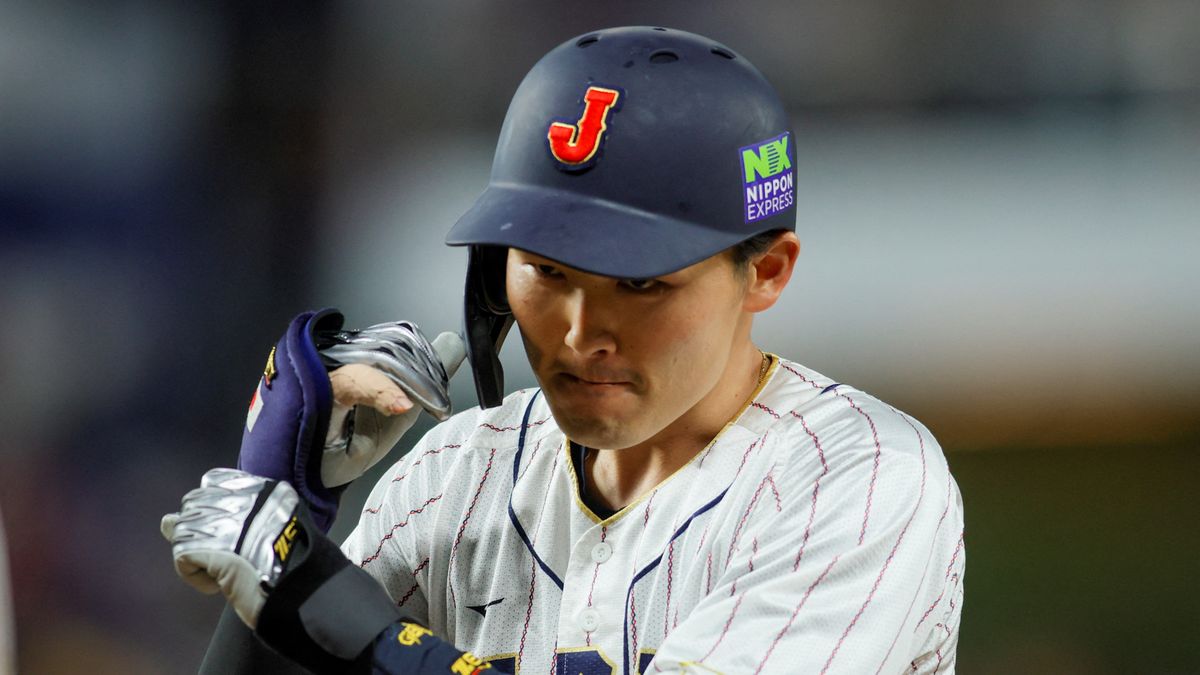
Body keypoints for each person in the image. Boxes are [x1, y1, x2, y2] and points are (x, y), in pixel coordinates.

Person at [162, 26, 965, 674]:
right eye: (547, 270)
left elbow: (344, 631)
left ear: (766, 271)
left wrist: (354, 627)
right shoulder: (450, 481)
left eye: (642, 283)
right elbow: (304, 628)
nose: (581, 332)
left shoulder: (861, 482)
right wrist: (285, 507)